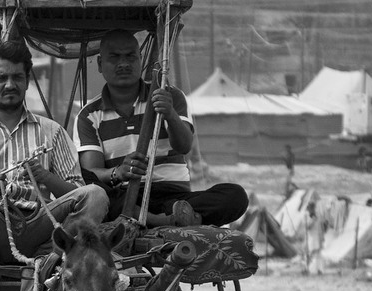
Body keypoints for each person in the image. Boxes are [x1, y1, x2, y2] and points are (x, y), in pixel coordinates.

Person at [0, 39, 108, 267]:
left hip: (42, 225)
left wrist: (45, 178)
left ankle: (51, 256)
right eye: (1, 78)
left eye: (17, 77)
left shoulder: (52, 131)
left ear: (27, 81)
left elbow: (77, 191)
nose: (10, 85)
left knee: (96, 195)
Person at [74, 29, 248, 226]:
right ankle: (169, 222)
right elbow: (91, 172)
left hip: (175, 197)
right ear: (99, 64)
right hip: (127, 198)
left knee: (235, 196)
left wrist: (169, 113)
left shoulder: (169, 96)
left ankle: (175, 217)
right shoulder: (88, 115)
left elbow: (184, 146)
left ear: (141, 60)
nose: (123, 64)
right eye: (114, 57)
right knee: (89, 186)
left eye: (130, 56)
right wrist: (118, 172)